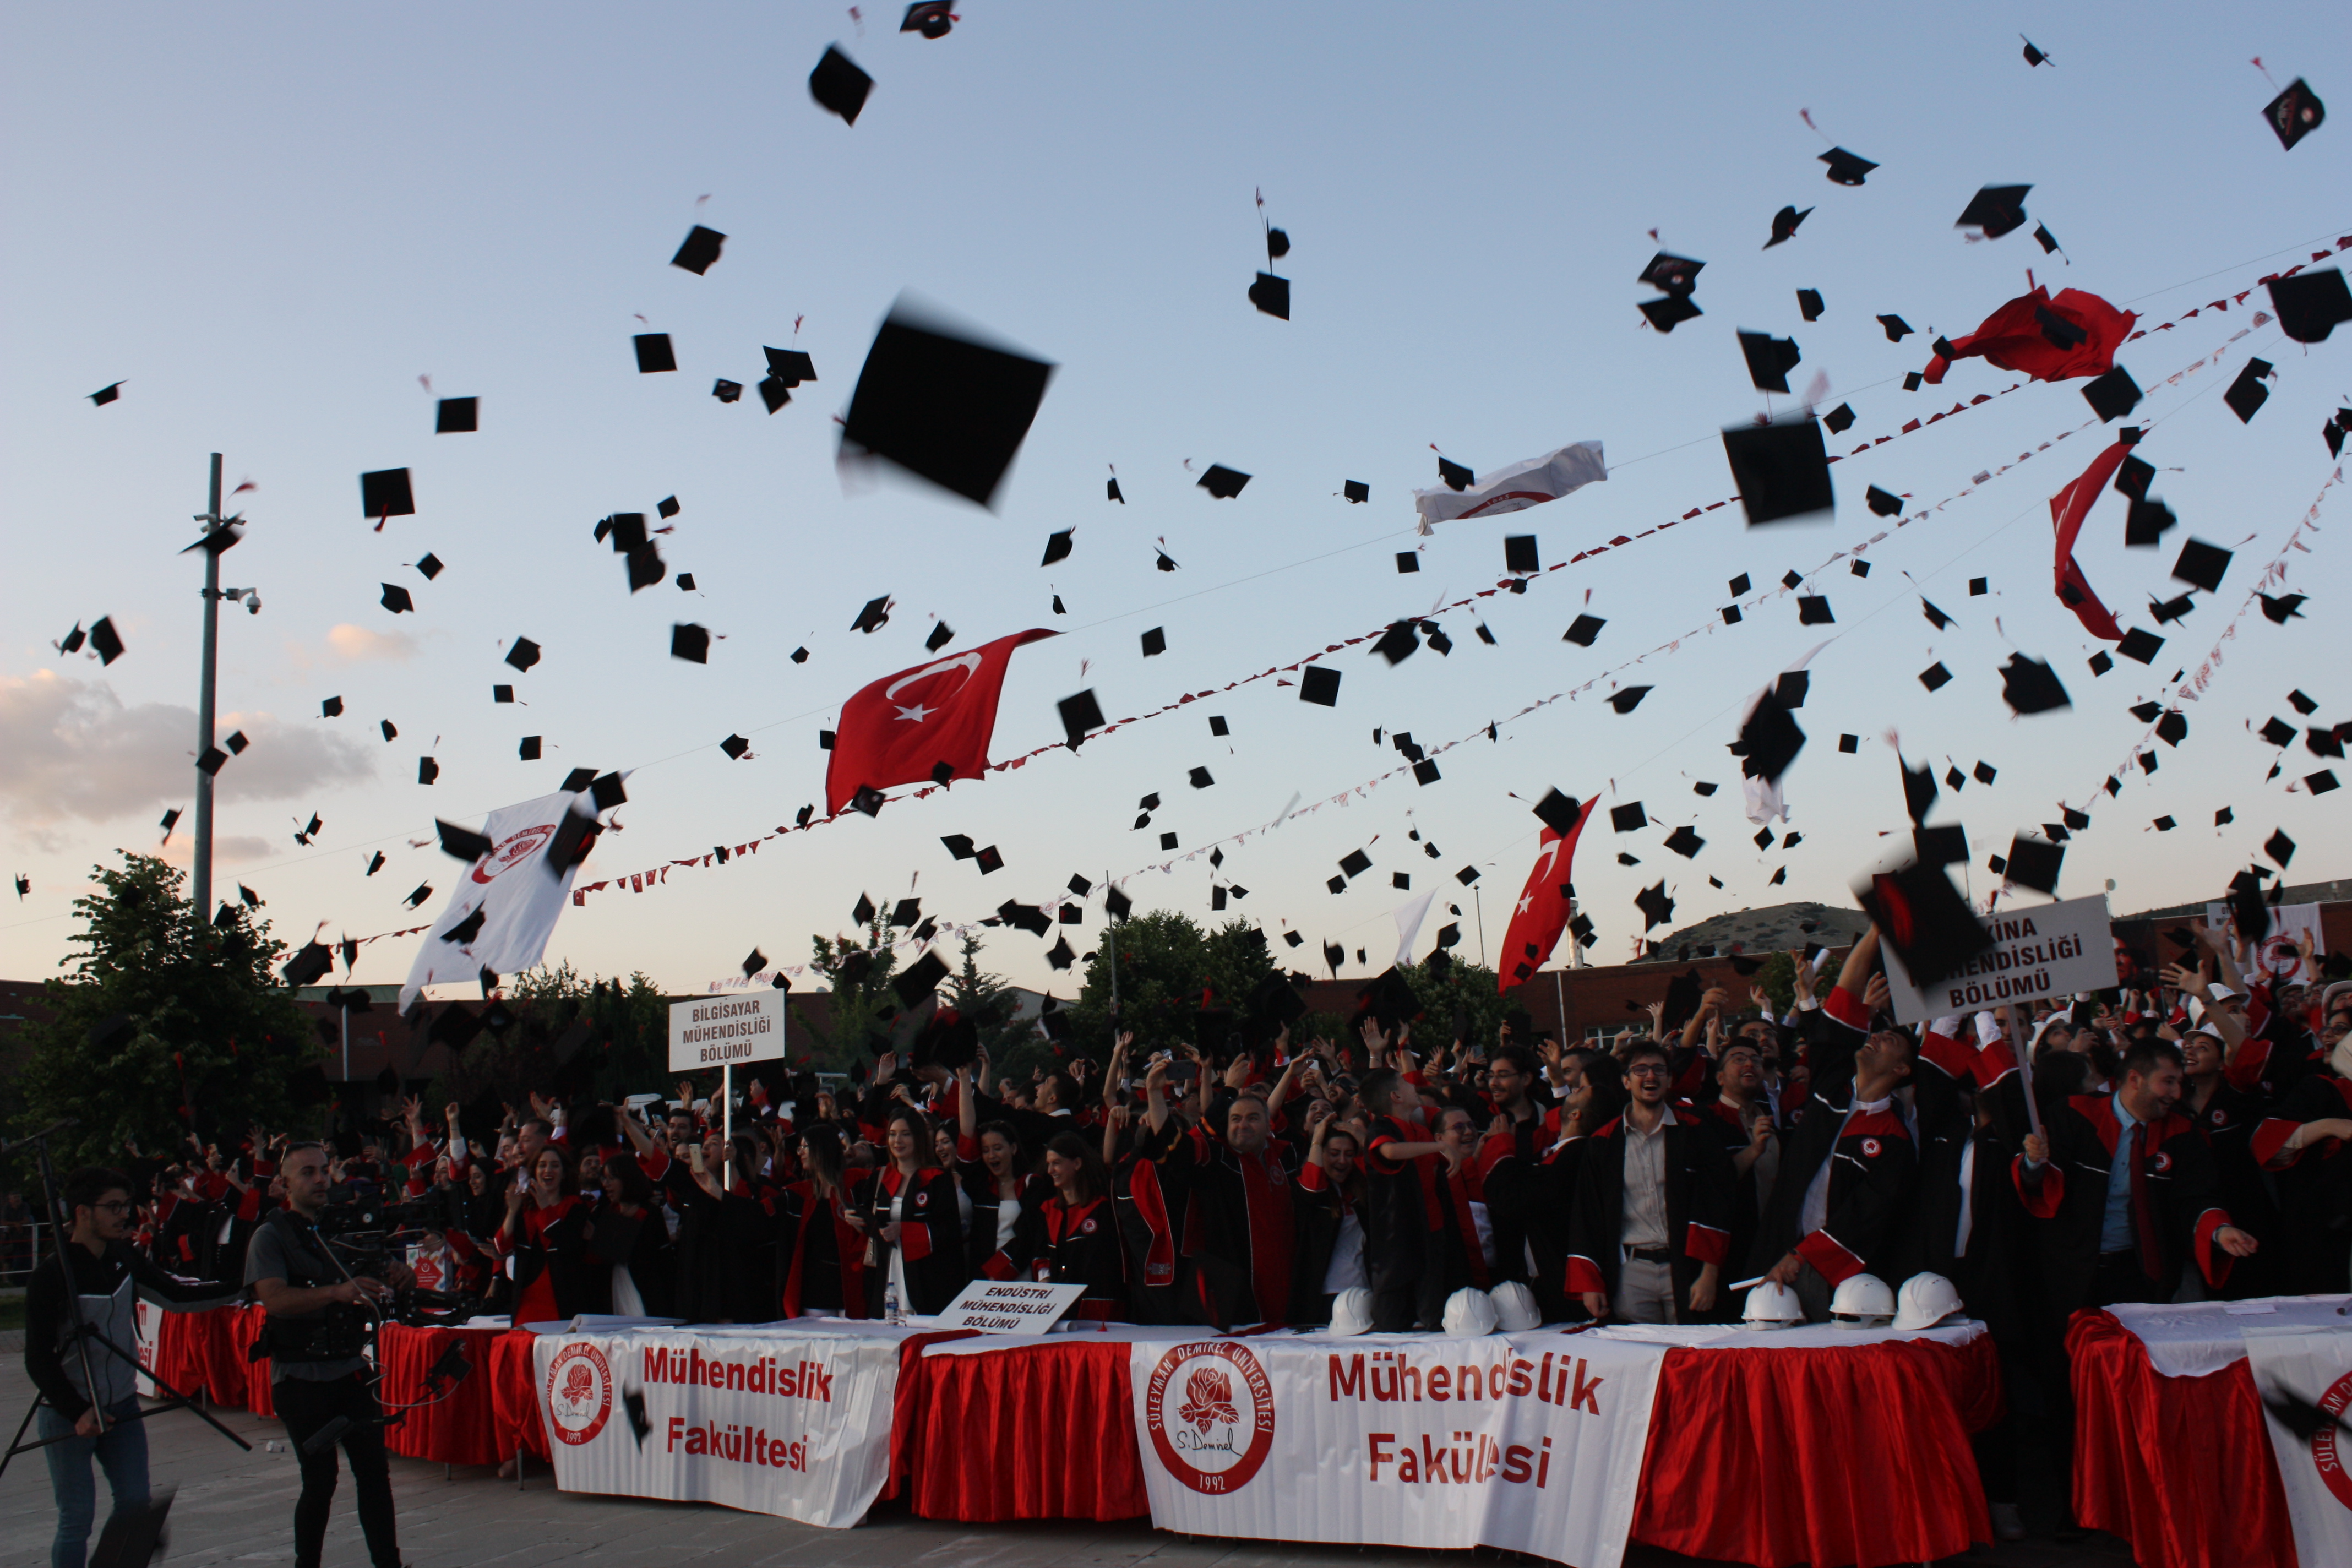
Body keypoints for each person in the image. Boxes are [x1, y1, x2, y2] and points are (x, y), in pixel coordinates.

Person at [25, 1167, 237, 1568]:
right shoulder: (52, 1275)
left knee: (137, 1504)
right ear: (83, 1212)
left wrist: (242, 1287)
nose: (125, 1215)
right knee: (76, 1518)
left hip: (122, 1404)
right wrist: (77, 1411)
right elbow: (37, 1358)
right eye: (113, 1207)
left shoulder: (123, 1256)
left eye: (126, 1205)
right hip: (68, 1413)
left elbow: (175, 1293)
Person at [245, 1142, 410, 1568]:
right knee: (320, 1481)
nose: (320, 1179)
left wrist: (396, 1274)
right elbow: (274, 1298)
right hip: (300, 1376)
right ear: (284, 1183)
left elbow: (376, 1274)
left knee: (374, 1475)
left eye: (323, 1170)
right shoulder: (271, 1236)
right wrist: (337, 1291)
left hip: (350, 1368)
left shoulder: (344, 1228)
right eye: (308, 1173)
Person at [1751, 929, 1922, 1320]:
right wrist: (1876, 930)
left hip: (1839, 1277)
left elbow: (1864, 1216)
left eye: (1891, 1040)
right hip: (1779, 1248)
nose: (1878, 1037)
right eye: (1878, 1032)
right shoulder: (1830, 1084)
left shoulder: (1894, 1139)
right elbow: (1847, 996)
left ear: (1902, 1069)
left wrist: (1803, 1257)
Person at [1563, 1041, 1734, 1323]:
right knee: (1638, 1349)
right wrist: (1590, 1283)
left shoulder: (1695, 1132)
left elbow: (1716, 1204)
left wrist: (1709, 1274)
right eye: (1640, 1069)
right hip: (1631, 1272)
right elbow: (1587, 1213)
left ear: (1670, 1079)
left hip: (1686, 1267)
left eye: (1659, 1069)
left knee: (1691, 1347)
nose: (1651, 1076)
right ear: (1626, 1081)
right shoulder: (1603, 1142)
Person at [1144, 1055, 1299, 1330]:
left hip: (1285, 1281)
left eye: (1253, 1118)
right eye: (1235, 1119)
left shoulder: (1287, 1156)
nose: (1243, 1125)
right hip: (1225, 1287)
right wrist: (1155, 1094)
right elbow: (1174, 1148)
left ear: (1269, 1125)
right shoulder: (1217, 1158)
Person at [847, 1106, 966, 1317]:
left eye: (905, 1134)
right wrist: (857, 1221)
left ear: (919, 1138)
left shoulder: (938, 1179)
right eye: (893, 1134)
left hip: (927, 1279)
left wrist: (905, 1230)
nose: (897, 1141)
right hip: (887, 1271)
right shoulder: (879, 1177)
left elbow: (950, 1231)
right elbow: (873, 1224)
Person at [1033, 1132, 1126, 1317]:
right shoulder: (1048, 1210)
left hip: (1098, 1308)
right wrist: (1046, 1287)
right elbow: (1042, 1255)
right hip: (1059, 1306)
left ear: (1077, 1163)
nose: (1050, 1170)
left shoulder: (1102, 1208)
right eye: (1049, 1164)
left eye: (1057, 1163)